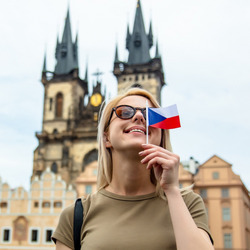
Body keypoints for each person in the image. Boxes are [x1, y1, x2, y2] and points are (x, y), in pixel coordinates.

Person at [52, 88, 214, 250]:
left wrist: (172, 190)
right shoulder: (75, 216)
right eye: (124, 112)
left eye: (149, 114)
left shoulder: (187, 203)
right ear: (106, 137)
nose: (139, 116)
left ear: (160, 136)